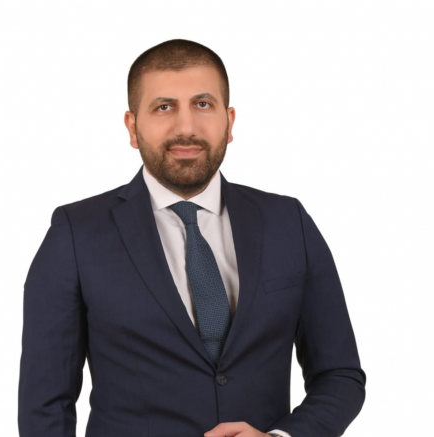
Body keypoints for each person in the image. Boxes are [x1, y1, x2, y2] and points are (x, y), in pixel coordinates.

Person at [18, 39, 365, 437]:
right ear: (132, 127)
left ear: (229, 122)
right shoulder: (76, 234)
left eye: (202, 104)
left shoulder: (289, 222)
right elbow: (45, 406)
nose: (186, 128)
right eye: (164, 107)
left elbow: (340, 376)